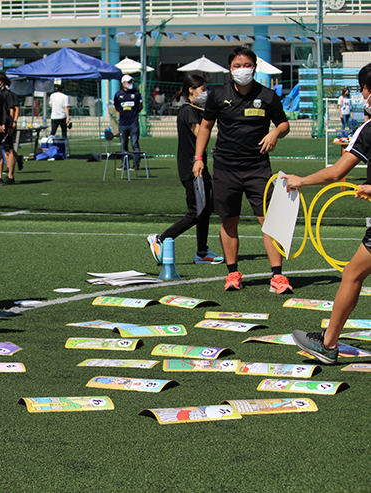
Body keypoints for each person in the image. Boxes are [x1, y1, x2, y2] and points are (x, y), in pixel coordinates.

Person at [287, 63, 371, 364]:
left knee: (352, 275)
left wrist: (301, 181)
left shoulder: (368, 129)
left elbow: (336, 172)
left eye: (363, 89)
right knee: (353, 274)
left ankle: (328, 344)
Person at [193, 46, 290, 292]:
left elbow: (284, 124)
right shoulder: (218, 95)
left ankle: (277, 276)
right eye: (237, 66)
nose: (242, 70)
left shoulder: (267, 95)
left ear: (254, 68)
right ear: (230, 69)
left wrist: (275, 133)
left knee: (269, 222)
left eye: (247, 65)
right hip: (225, 168)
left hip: (258, 168)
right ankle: (233, 273)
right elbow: (205, 127)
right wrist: (198, 157)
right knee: (228, 221)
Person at [146, 75, 224, 266]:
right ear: (191, 90)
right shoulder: (188, 110)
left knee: (205, 210)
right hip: (191, 168)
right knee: (196, 212)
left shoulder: (195, 109)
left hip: (199, 166)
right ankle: (160, 239)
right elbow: (200, 133)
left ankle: (202, 252)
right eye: (202, 89)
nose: (205, 93)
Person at [0, 72, 21, 185]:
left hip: (7, 124)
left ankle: (10, 176)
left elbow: (13, 109)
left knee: (8, 149)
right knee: (4, 148)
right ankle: (16, 161)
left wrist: (12, 123)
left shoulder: (8, 94)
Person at [114, 74, 143, 170]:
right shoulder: (118, 95)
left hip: (133, 124)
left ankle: (136, 164)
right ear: (123, 83)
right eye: (128, 82)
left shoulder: (137, 94)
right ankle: (125, 165)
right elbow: (117, 107)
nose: (130, 83)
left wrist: (133, 114)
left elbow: (140, 107)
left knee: (135, 144)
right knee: (123, 145)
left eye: (131, 82)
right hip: (123, 124)